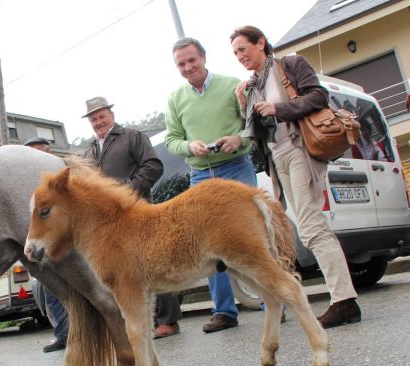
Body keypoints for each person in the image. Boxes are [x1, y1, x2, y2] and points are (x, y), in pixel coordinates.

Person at [230, 25, 361, 328]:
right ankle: (333, 299)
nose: (239, 56)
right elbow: (255, 129)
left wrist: (279, 108)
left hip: (300, 149)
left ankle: (344, 301)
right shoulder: (253, 84)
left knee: (313, 226)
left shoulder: (290, 64)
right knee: (302, 227)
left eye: (243, 49)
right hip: (278, 159)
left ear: (260, 42)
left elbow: (318, 96)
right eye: (235, 53)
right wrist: (244, 103)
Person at [165, 37, 257, 334]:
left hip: (236, 167)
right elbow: (171, 141)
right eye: (181, 63)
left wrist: (238, 139)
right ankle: (224, 312)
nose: (188, 67)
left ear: (203, 57)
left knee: (251, 236)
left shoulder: (232, 84)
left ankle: (272, 303)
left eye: (192, 60)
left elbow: (252, 125)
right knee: (209, 244)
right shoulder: (175, 99)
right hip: (201, 175)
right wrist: (190, 146)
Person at [82, 96, 183, 338]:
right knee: (125, 274)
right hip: (107, 226)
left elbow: (153, 166)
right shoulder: (88, 152)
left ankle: (168, 322)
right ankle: (136, 324)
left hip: (137, 213)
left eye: (102, 115)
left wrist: (128, 189)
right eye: (94, 118)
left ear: (111, 115)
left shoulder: (132, 137)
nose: (98, 121)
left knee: (153, 266)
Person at [23, 136, 70, 352]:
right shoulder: (27, 183)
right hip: (44, 245)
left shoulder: (61, 176)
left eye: (38, 153)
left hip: (66, 243)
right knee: (51, 290)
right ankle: (62, 334)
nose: (34, 159)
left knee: (77, 289)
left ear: (48, 151)